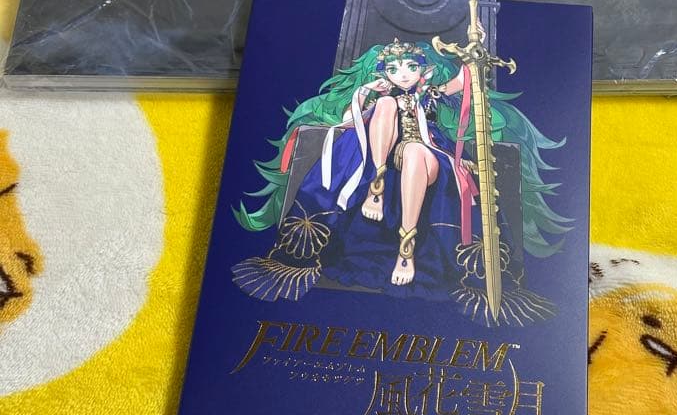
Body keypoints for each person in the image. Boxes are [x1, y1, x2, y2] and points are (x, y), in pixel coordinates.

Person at [232, 39, 571, 324]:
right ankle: (377, 183)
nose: (403, 74)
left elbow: (464, 79)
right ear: (384, 73)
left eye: (410, 67)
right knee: (387, 110)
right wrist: (366, 91)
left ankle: (404, 250)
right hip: (384, 155)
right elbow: (350, 120)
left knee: (416, 152)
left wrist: (473, 54)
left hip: (430, 157)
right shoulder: (382, 97)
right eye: (394, 69)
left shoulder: (430, 93)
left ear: (423, 71)